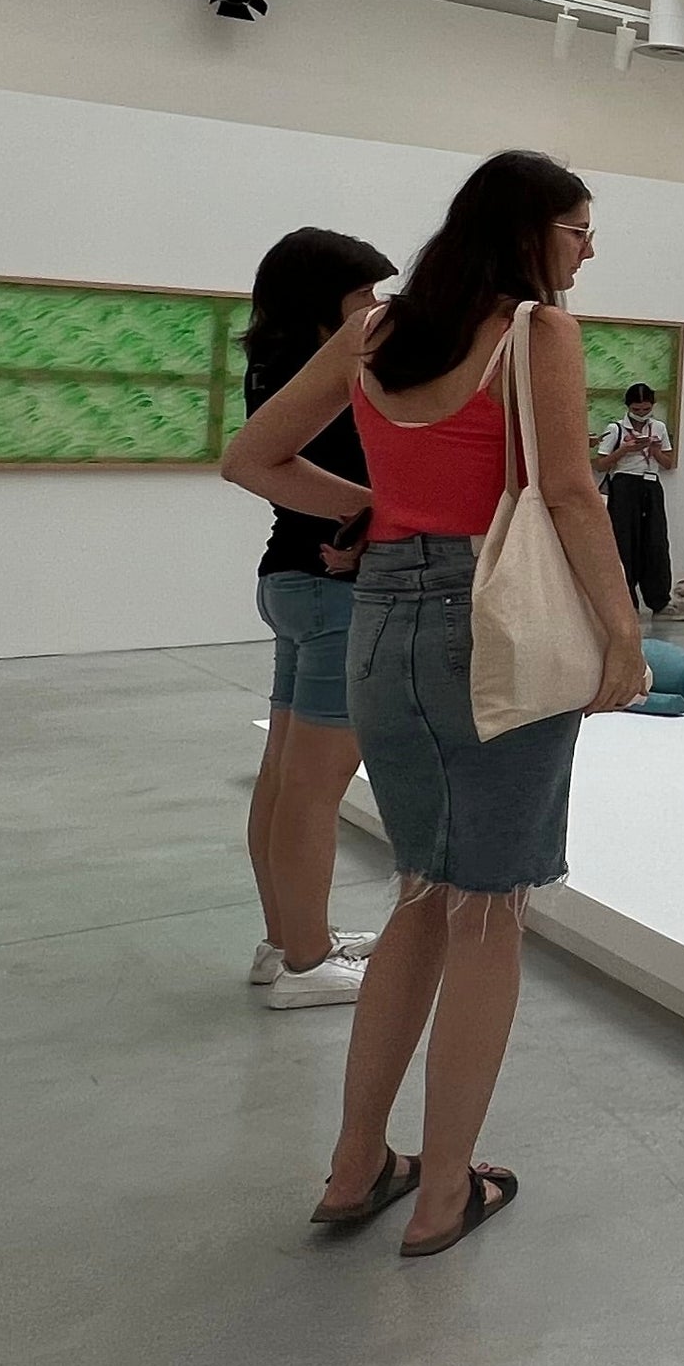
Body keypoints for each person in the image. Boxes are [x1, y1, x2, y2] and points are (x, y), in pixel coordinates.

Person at [223, 150, 648, 1260]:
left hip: (381, 623)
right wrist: (625, 632)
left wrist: (375, 506)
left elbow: (252, 454)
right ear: (530, 234)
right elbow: (565, 492)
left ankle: (358, 1162)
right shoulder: (535, 333)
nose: (588, 249)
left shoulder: (376, 333)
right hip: (493, 623)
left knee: (422, 891)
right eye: (579, 229)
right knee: (488, 911)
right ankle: (449, 1185)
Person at [236, 226, 395, 1009]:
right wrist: (374, 512)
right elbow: (265, 465)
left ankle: (288, 939)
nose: (376, 309)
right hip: (333, 588)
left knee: (284, 778)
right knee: (314, 788)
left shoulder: (272, 365)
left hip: (289, 581)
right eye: (364, 295)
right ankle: (305, 962)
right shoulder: (319, 369)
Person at [594, 382, 676, 615]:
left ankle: (660, 599)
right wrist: (625, 450)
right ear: (628, 406)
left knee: (656, 542)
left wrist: (656, 450)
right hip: (624, 485)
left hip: (651, 485)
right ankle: (627, 603)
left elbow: (669, 463)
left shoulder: (658, 427)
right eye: (637, 409)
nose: (641, 413)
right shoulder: (615, 428)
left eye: (645, 408)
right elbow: (600, 464)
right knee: (624, 543)